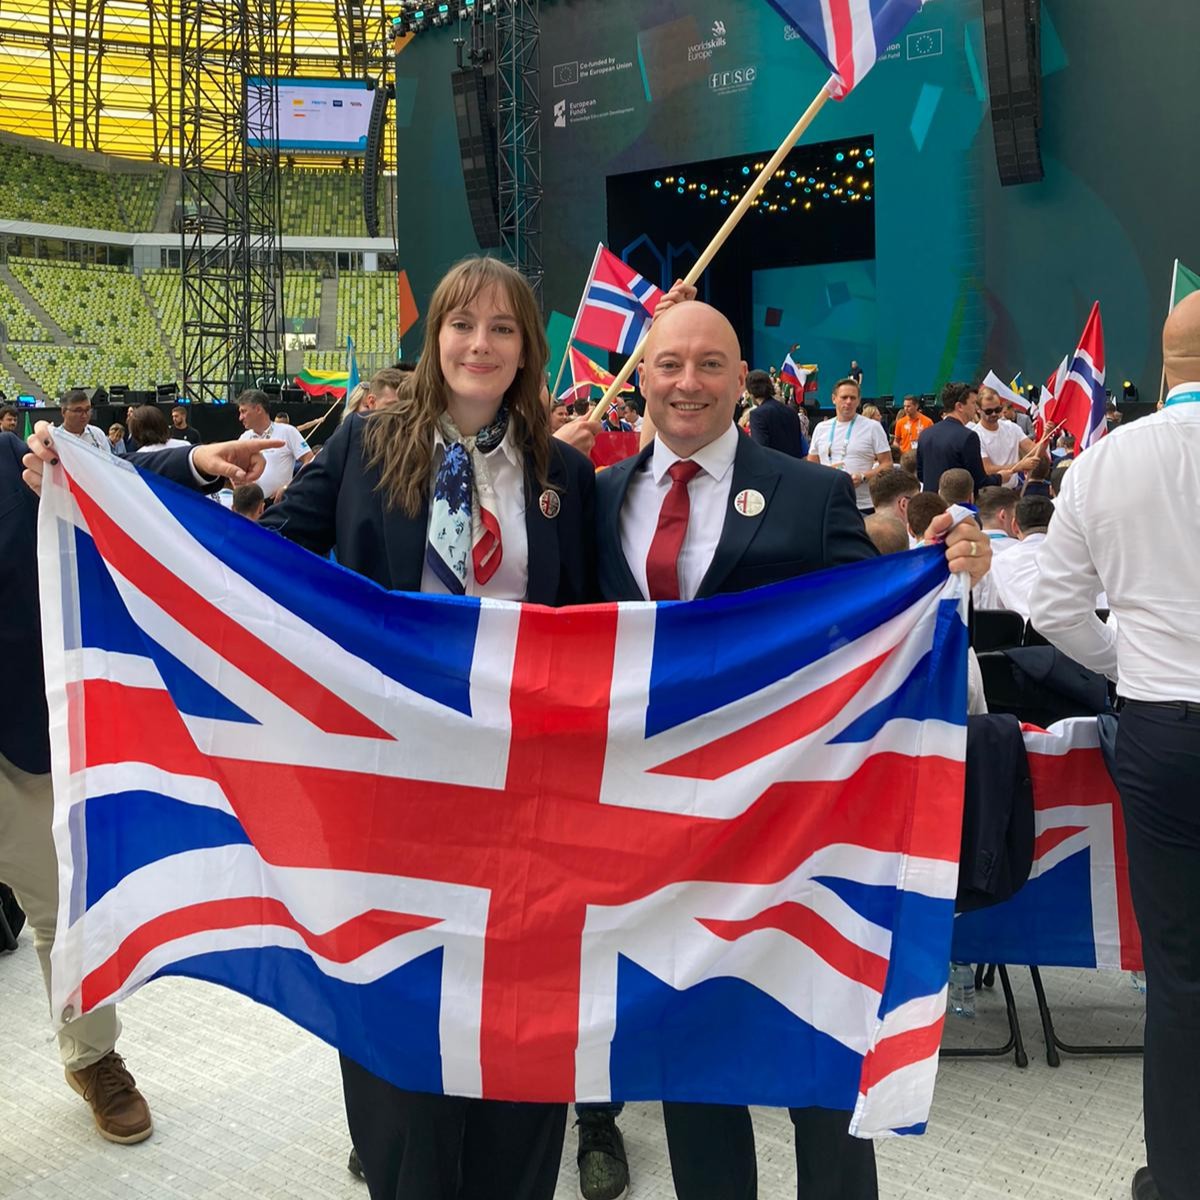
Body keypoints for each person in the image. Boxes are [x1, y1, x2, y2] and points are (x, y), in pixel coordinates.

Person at [594, 299, 991, 1200]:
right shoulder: (598, 495)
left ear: (743, 379)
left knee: (818, 1055)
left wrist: (943, 562)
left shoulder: (808, 492)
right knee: (688, 1059)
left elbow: (878, 612)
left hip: (794, 829)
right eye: (668, 365)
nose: (687, 383)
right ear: (642, 378)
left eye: (709, 365)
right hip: (662, 834)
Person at [1029, 291, 1200, 1200]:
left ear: (1165, 363)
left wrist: (1130, 662)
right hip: (1163, 714)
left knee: (1178, 967)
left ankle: (1178, 1178)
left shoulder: (1103, 462)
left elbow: (1052, 607)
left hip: (1163, 729)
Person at [807, 378, 891, 513]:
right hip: (828, 503)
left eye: (853, 398)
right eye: (844, 397)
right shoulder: (821, 428)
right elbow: (811, 466)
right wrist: (826, 474)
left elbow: (887, 464)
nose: (848, 402)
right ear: (834, 399)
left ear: (858, 401)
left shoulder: (872, 427)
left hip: (862, 506)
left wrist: (863, 477)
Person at [916, 382, 998, 494]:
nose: (976, 408)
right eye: (973, 403)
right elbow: (979, 481)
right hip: (957, 506)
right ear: (959, 406)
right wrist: (1000, 478)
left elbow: (921, 475)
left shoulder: (925, 434)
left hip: (931, 503)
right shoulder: (968, 436)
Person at [985, 495, 1055, 619]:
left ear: (1014, 526)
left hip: (1024, 635)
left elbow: (992, 613)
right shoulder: (1076, 559)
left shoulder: (998, 563)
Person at [236, 389, 314, 500]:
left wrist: (290, 486)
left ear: (258, 409)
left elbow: (310, 459)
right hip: (251, 508)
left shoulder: (287, 431)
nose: (240, 417)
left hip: (279, 505)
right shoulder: (244, 438)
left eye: (243, 411)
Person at [746, 368, 807, 458]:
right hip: (794, 468)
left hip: (772, 469)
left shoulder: (757, 415)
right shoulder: (790, 411)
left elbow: (760, 451)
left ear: (751, 392)